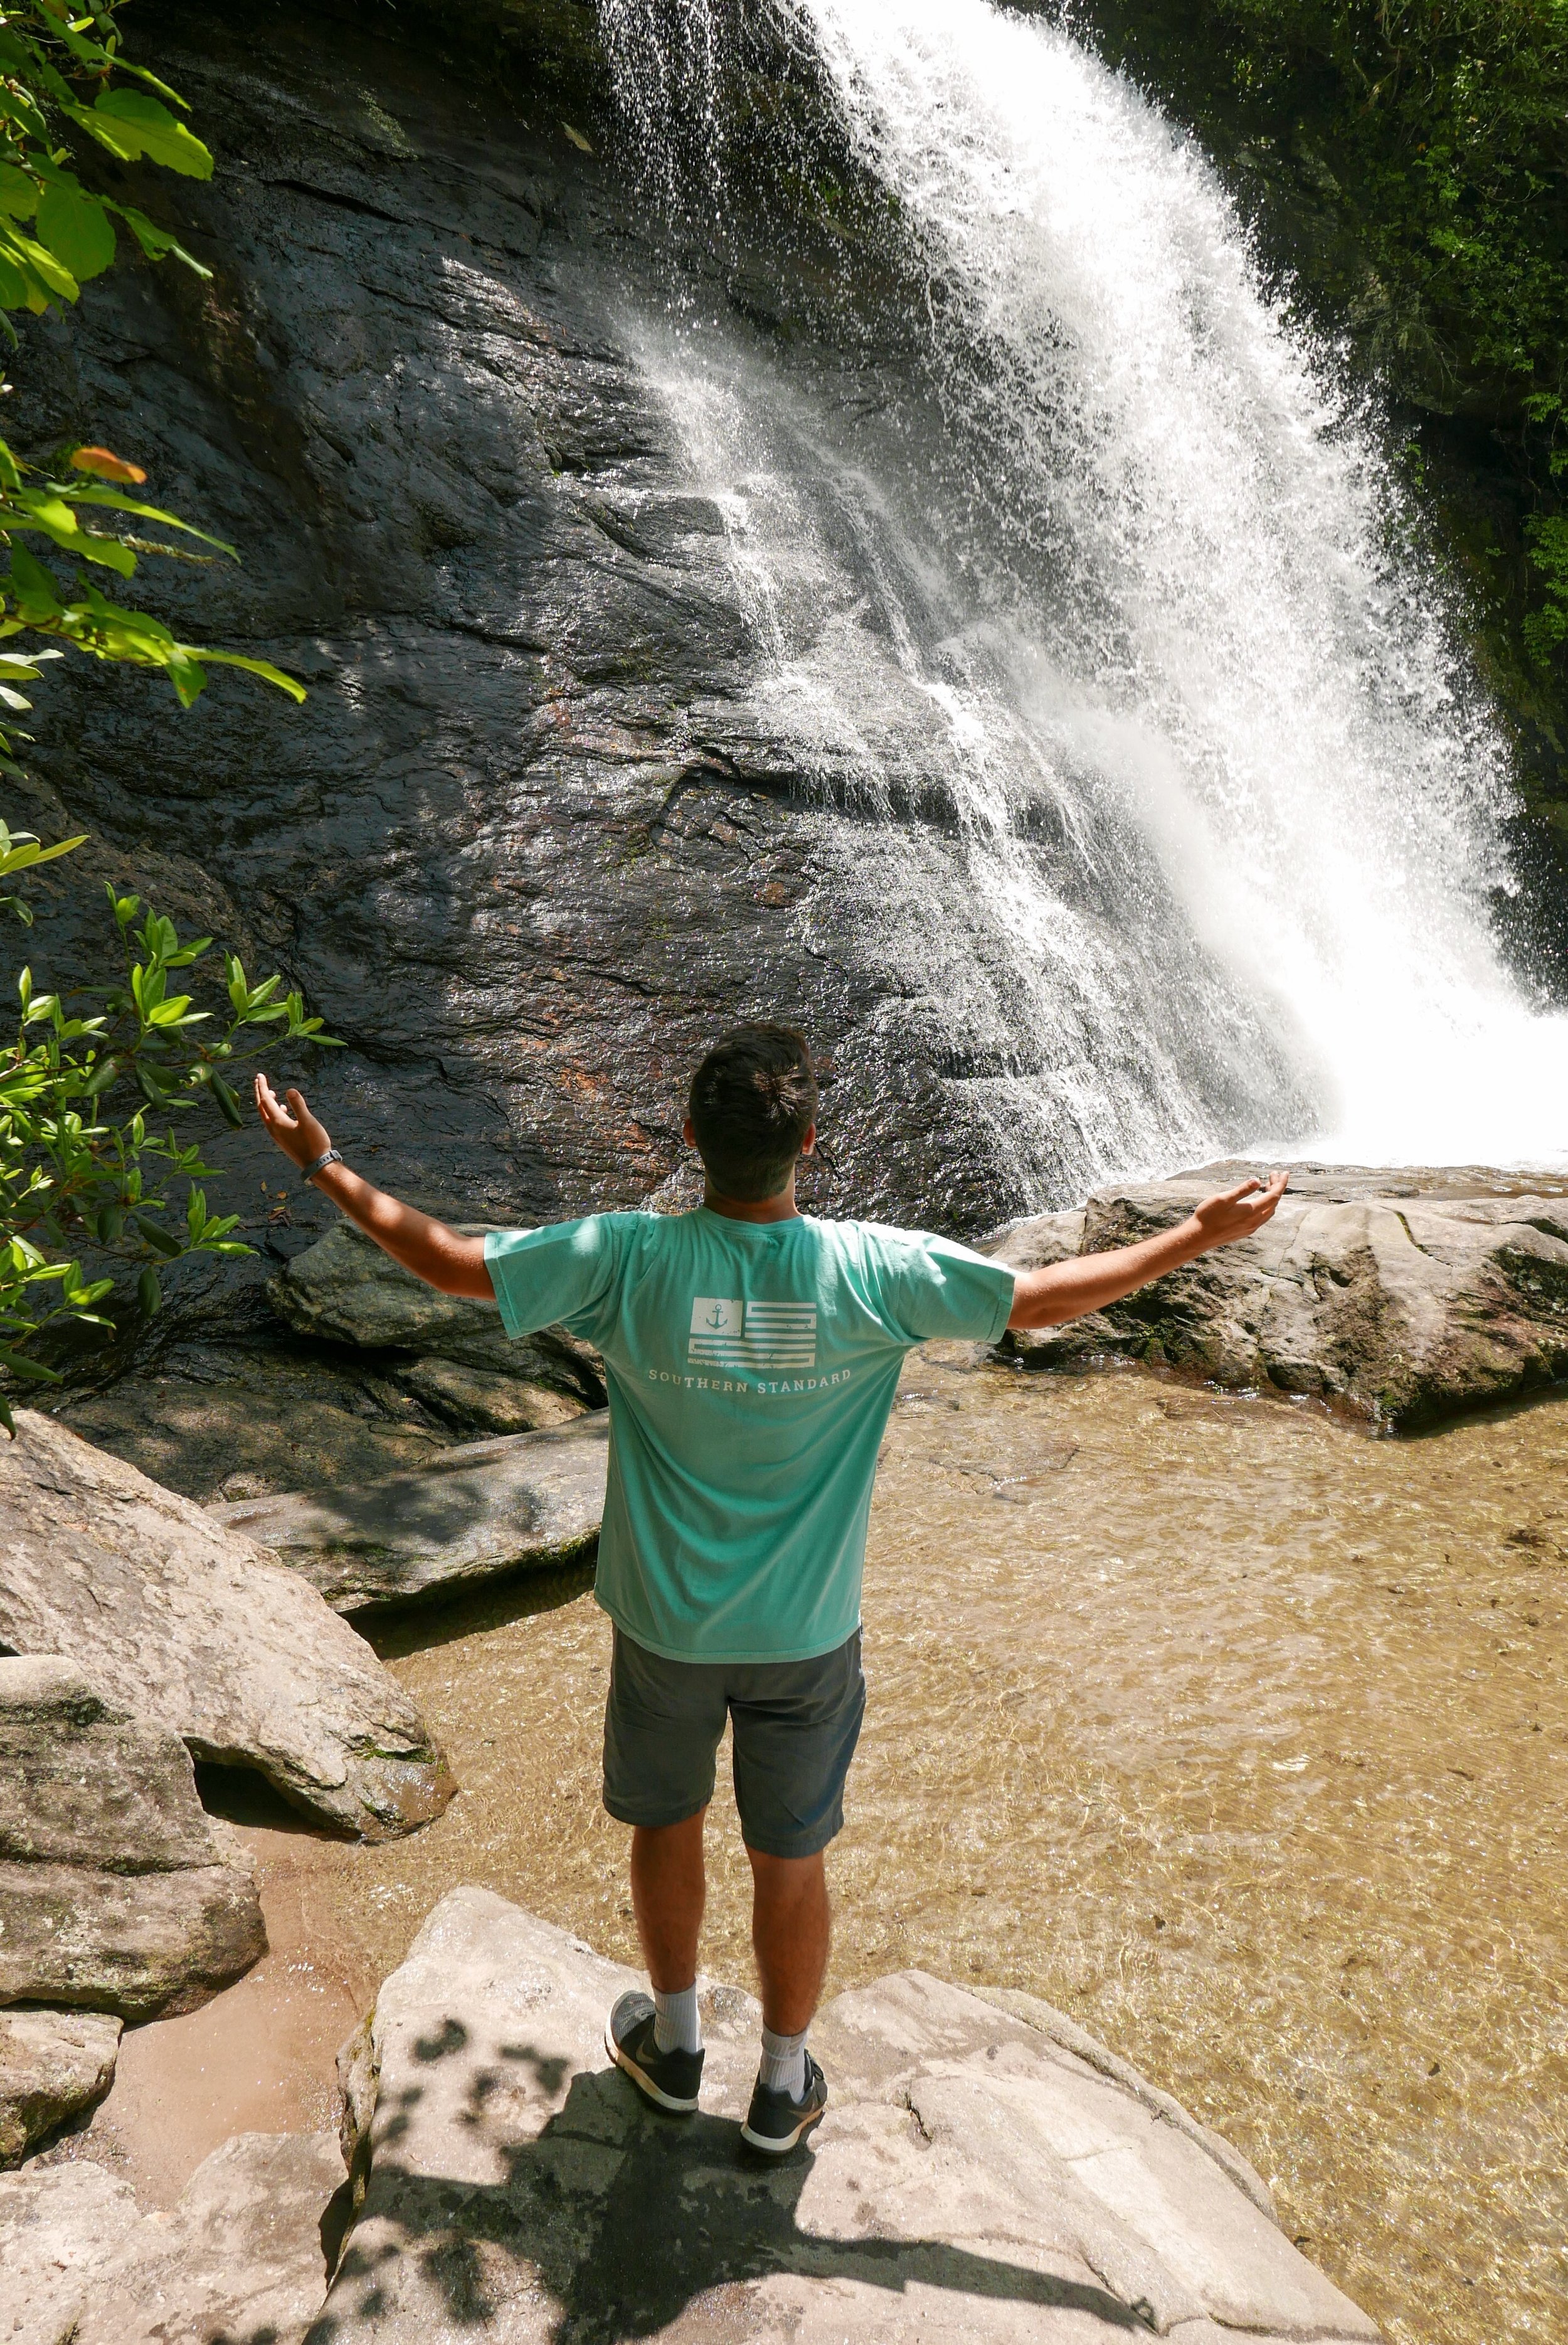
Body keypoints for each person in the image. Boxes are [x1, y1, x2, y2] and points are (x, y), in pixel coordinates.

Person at [255, 1027, 1285, 2156]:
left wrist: (323, 1164)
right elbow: (1038, 1301)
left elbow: (453, 1264)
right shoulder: (875, 1271)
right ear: (807, 1141)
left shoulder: (626, 1257)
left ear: (690, 1138)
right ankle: (785, 2085)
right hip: (807, 1633)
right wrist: (1196, 1233)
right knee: (790, 1857)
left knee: (667, 1821)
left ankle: (678, 2043)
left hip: (665, 1626)